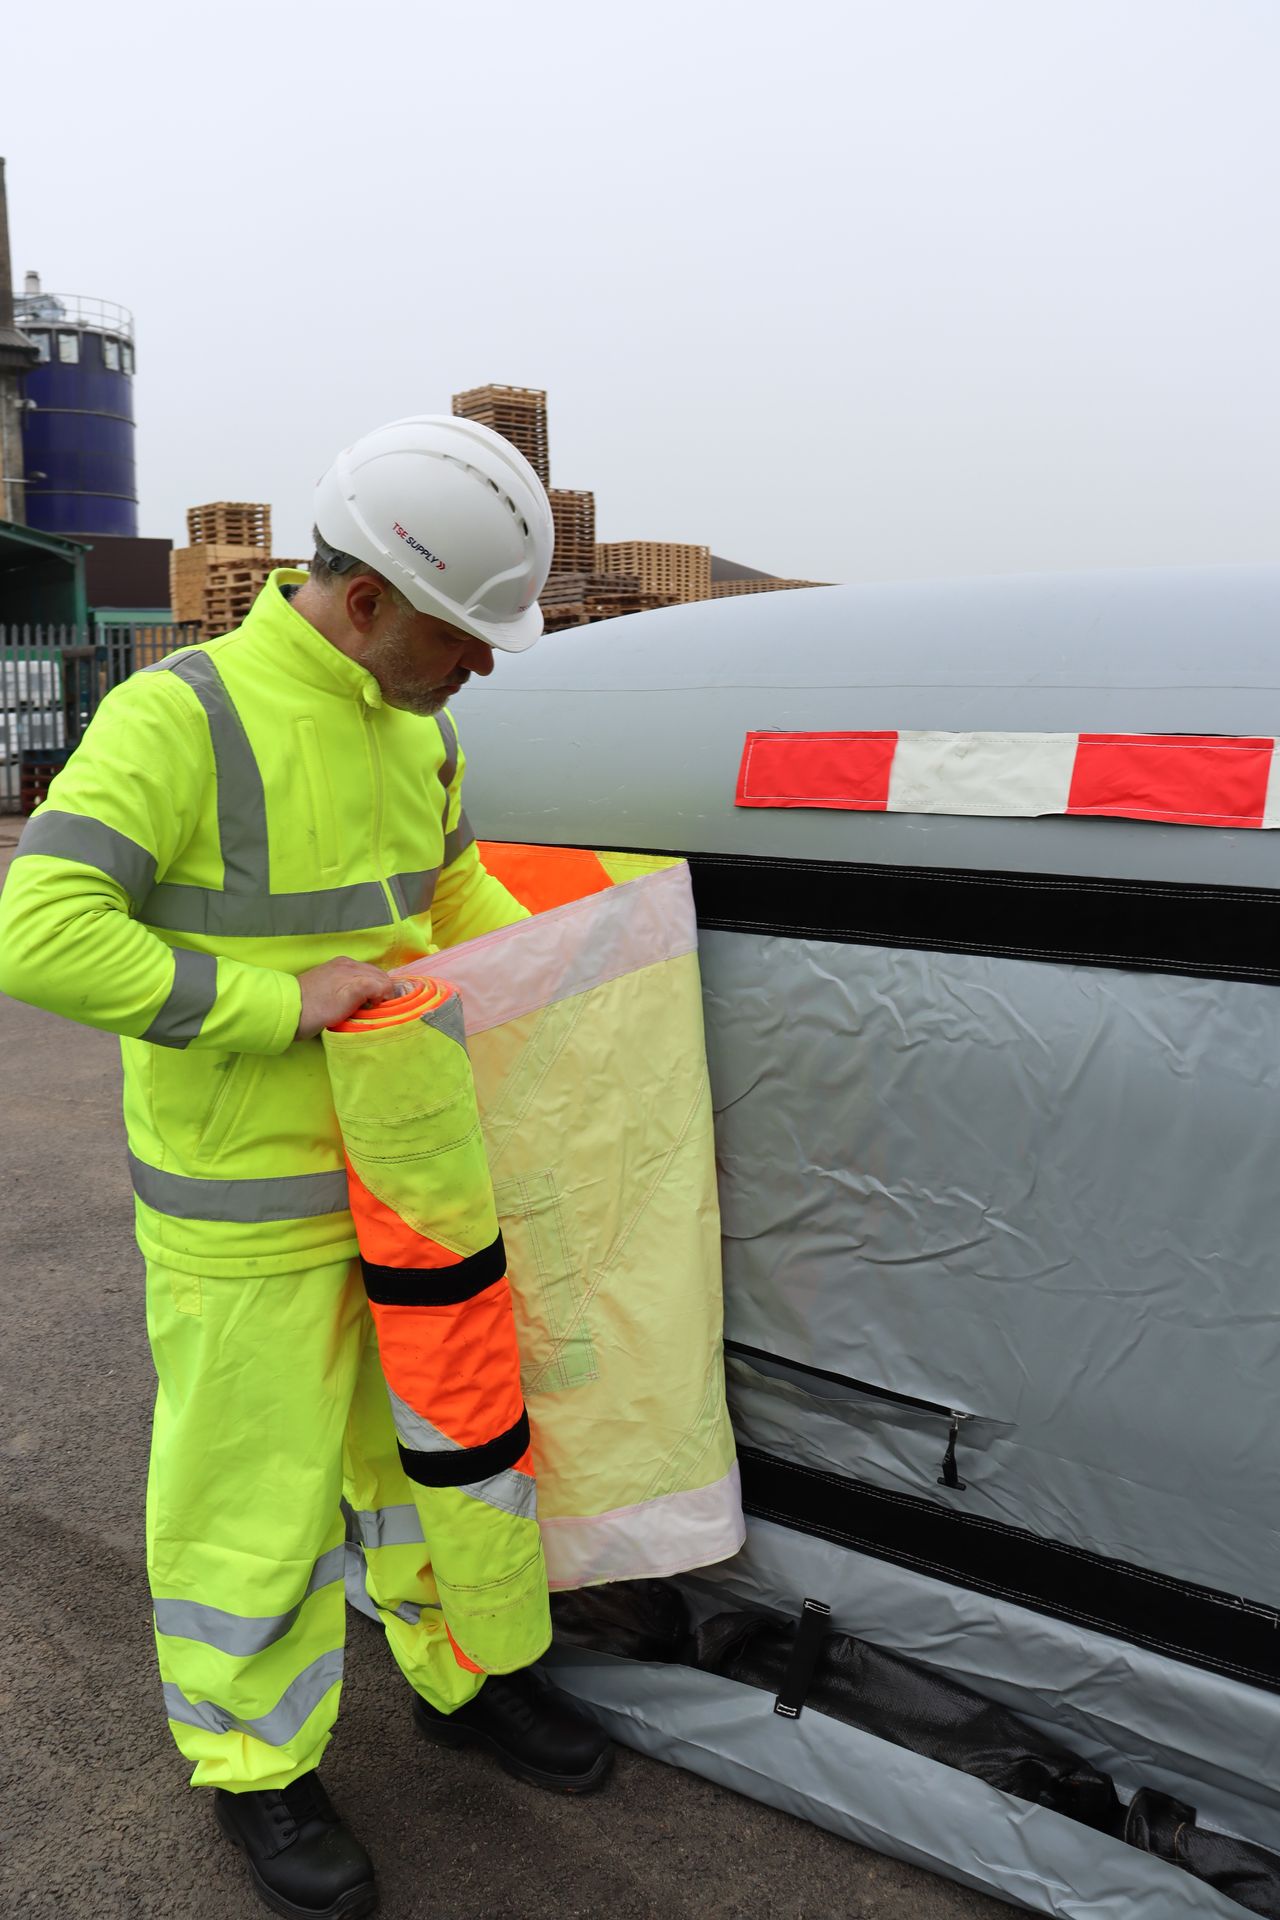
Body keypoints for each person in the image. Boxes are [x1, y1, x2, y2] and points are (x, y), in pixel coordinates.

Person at [0, 415, 611, 1920]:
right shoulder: (179, 717)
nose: (477, 666)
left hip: (411, 1184)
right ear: (366, 604)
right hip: (247, 1212)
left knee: (437, 1461)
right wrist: (281, 1005)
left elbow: (442, 889)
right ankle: (254, 1767)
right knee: (249, 1503)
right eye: (464, 636)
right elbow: (40, 930)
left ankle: (458, 1676)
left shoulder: (422, 727)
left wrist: (591, 955)